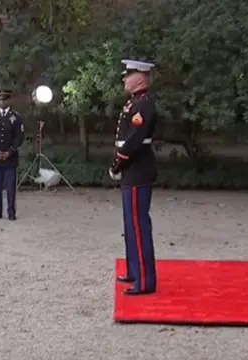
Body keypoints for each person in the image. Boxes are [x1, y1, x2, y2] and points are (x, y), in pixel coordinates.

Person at [109, 59, 158, 295]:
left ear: (140, 77)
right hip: (132, 168)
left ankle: (146, 281)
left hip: (137, 167)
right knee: (130, 224)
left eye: (128, 75)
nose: (124, 79)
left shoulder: (144, 104)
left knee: (138, 226)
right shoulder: (134, 102)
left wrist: (118, 162)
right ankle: (133, 269)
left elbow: (135, 140)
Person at [0, 89, 24, 221]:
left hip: (10, 159)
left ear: (9, 101)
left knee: (10, 187)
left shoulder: (16, 117)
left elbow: (19, 137)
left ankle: (11, 211)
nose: (2, 102)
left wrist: (10, 151)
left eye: (5, 100)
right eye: (0, 100)